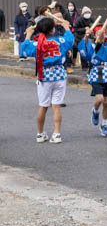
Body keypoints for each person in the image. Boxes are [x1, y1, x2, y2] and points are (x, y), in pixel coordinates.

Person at [20, 15, 75, 144]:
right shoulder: (60, 41)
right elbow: (70, 40)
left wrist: (28, 34)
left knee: (43, 106)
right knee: (56, 106)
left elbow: (24, 50)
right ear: (52, 29)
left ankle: (40, 134)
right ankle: (56, 134)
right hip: (59, 75)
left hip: (44, 76)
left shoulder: (36, 44)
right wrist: (66, 27)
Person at [79, 24, 107, 137]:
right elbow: (82, 50)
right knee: (99, 99)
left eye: (103, 33)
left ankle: (104, 124)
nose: (102, 35)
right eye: (99, 33)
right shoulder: (91, 46)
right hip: (96, 74)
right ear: (94, 35)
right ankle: (95, 111)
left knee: (106, 102)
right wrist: (85, 37)